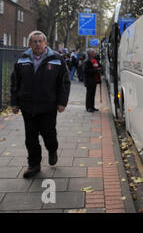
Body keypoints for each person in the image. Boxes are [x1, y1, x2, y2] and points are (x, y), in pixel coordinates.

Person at [10, 30, 71, 178]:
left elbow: (64, 82)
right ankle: (34, 165)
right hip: (27, 106)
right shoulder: (22, 60)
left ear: (45, 43)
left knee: (48, 134)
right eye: (34, 41)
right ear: (29, 44)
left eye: (40, 41)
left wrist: (62, 102)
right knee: (30, 137)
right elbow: (15, 82)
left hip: (48, 106)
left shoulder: (56, 59)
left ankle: (52, 149)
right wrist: (14, 103)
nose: (37, 44)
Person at [83, 48, 102, 113]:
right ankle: (88, 107)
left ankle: (92, 106)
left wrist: (100, 68)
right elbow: (86, 71)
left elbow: (99, 66)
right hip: (89, 81)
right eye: (93, 52)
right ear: (90, 53)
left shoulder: (95, 60)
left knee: (93, 94)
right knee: (89, 94)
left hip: (95, 80)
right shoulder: (87, 61)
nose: (95, 53)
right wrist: (96, 70)